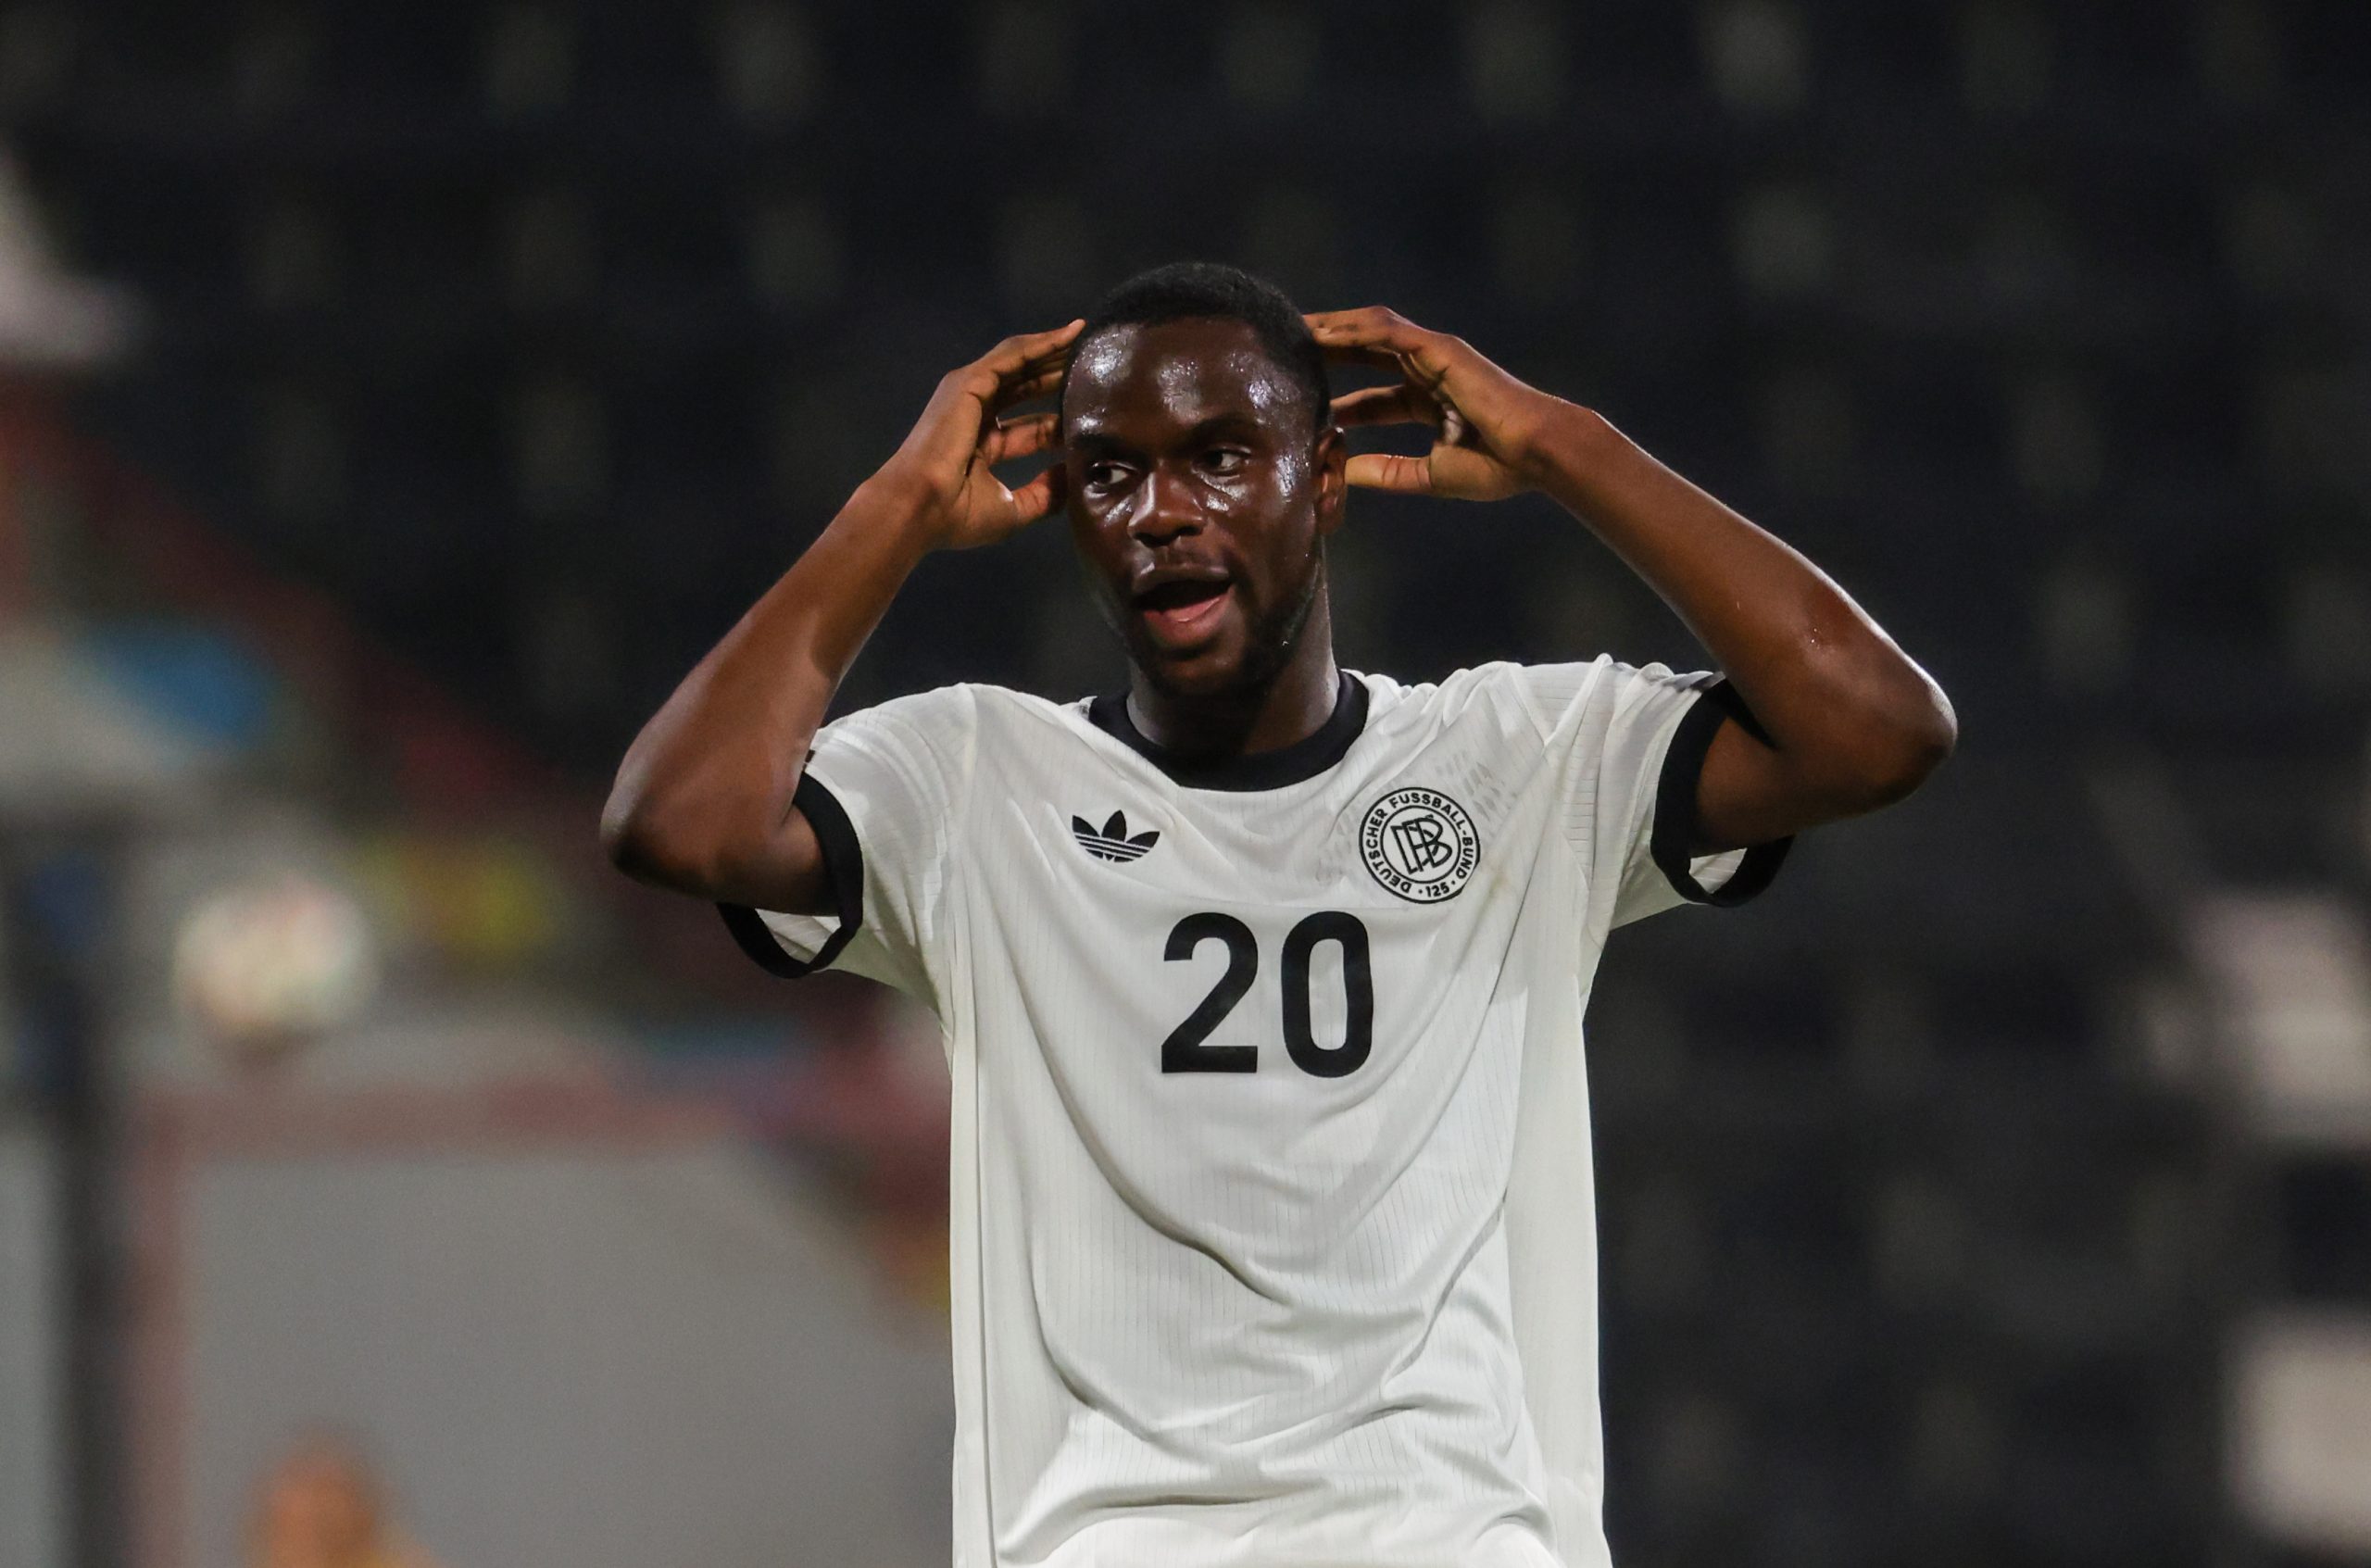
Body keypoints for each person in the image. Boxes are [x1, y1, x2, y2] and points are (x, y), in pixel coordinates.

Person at [603, 262, 1954, 1568]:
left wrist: (1569, 448)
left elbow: (1878, 728)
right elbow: (678, 821)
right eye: (1109, 473)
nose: (1162, 511)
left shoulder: (1522, 760)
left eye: (1221, 456)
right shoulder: (974, 782)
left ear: (1326, 480)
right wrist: (892, 505)